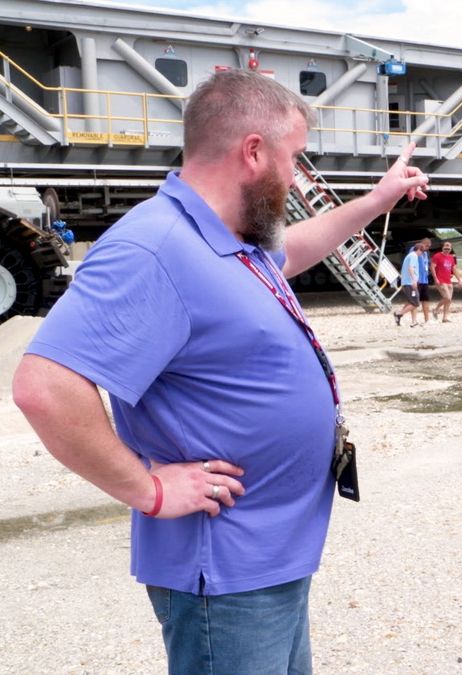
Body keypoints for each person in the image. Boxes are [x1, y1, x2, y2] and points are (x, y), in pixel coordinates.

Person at [11, 69, 428, 674]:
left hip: (268, 555)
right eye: (294, 158)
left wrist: (378, 200)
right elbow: (43, 387)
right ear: (253, 152)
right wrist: (147, 488)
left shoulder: (229, 240)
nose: (295, 177)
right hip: (225, 571)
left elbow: (301, 246)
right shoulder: (154, 247)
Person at [393, 239, 425, 327]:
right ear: (419, 250)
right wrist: (414, 280)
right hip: (409, 283)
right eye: (422, 251)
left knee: (411, 302)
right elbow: (411, 268)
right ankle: (399, 313)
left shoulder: (410, 255)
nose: (422, 254)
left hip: (407, 282)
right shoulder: (414, 256)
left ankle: (414, 321)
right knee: (416, 303)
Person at [431, 240, 462, 322]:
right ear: (442, 247)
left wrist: (459, 280)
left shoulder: (451, 258)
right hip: (440, 280)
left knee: (449, 300)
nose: (447, 249)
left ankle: (445, 318)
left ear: (451, 249)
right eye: (445, 248)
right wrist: (435, 278)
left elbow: (454, 269)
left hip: (448, 280)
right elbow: (432, 267)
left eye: (448, 248)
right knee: (447, 298)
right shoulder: (437, 256)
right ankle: (435, 309)